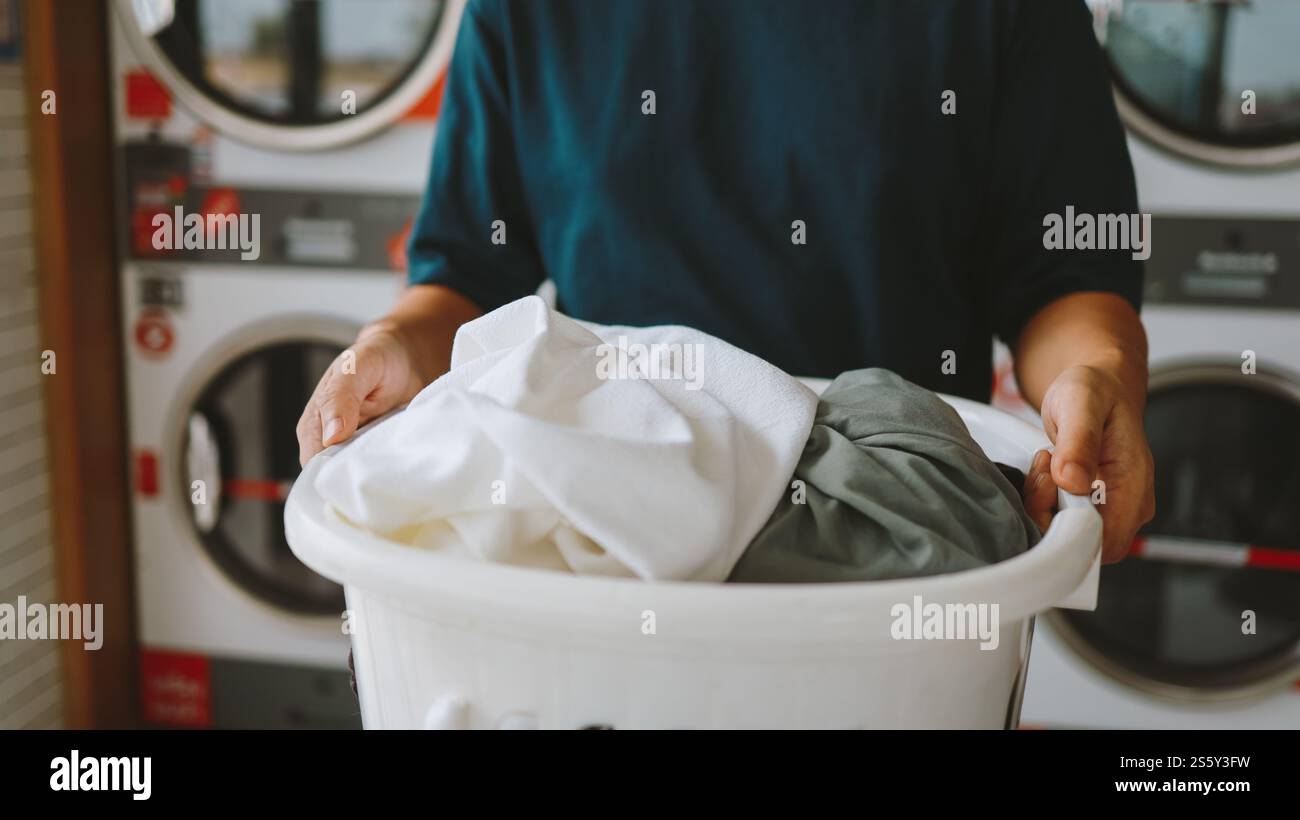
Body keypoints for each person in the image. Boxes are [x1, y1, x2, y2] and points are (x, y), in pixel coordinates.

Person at [297, 0, 1154, 562]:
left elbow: (1067, 278)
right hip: (607, 540)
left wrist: (1101, 380)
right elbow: (467, 281)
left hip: (901, 554)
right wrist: (392, 352)